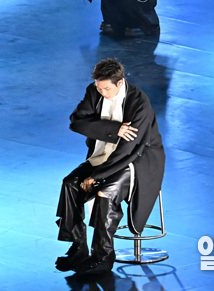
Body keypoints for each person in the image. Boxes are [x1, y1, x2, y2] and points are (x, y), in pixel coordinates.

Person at [55, 58, 165, 275]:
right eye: (99, 88)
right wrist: (115, 129)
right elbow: (76, 122)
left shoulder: (139, 103)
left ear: (120, 82)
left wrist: (97, 176)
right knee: (70, 184)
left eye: (106, 88)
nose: (102, 93)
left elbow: (128, 150)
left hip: (136, 161)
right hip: (103, 156)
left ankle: (103, 256)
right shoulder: (94, 91)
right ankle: (78, 248)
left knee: (105, 192)